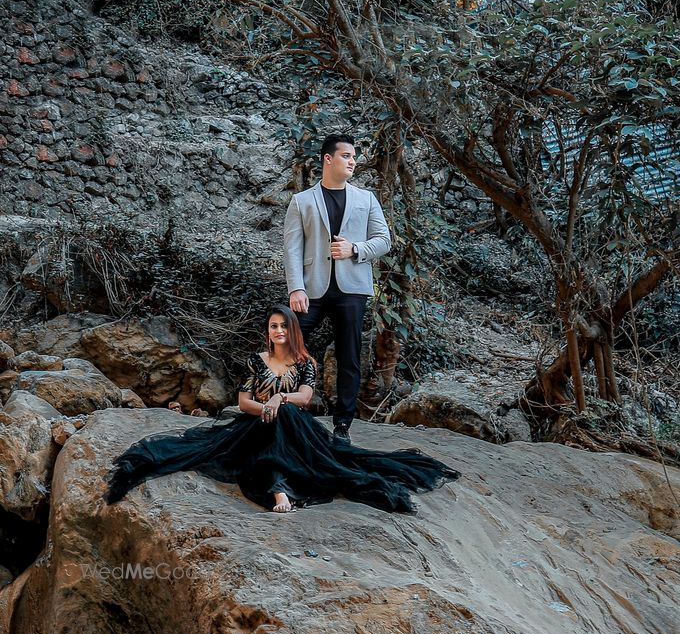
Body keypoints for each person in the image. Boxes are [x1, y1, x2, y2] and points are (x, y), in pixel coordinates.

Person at [105, 306, 459, 514]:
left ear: (292, 332)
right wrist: (265, 406)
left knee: (288, 417)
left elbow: (305, 397)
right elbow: (243, 401)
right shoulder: (257, 360)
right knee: (266, 426)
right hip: (254, 423)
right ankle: (278, 488)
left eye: (283, 326)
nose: (277, 331)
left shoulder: (305, 362)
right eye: (273, 326)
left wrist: (279, 399)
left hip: (294, 425)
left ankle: (279, 488)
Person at [283, 131, 391, 437]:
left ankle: (342, 424)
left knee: (349, 357)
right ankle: (284, 408)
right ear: (327, 159)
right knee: (288, 346)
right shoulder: (301, 201)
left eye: (354, 157)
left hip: (352, 290)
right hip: (311, 290)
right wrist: (296, 288)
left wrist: (354, 249)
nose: (353, 161)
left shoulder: (366, 199)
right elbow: (291, 247)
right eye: (346, 156)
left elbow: (384, 240)